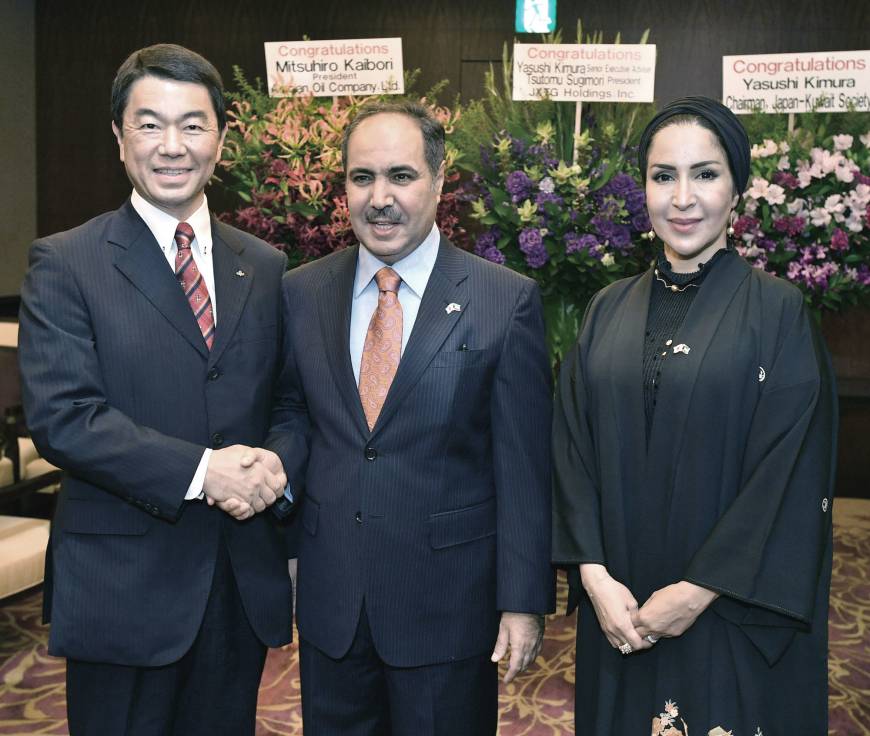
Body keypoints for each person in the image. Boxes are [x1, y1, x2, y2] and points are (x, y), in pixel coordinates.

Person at [17, 44, 305, 736]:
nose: (172, 146)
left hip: (236, 584)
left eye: (192, 125)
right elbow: (66, 419)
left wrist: (276, 464)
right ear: (119, 138)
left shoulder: (263, 265)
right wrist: (206, 473)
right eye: (150, 125)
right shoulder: (66, 262)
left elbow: (290, 401)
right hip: (123, 586)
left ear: (221, 139)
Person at [552, 96, 837, 735]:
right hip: (618, 610)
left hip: (727, 609)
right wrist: (593, 577)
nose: (682, 197)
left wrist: (698, 591)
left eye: (705, 174)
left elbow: (790, 472)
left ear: (737, 189)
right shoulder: (605, 309)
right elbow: (569, 449)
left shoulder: (779, 313)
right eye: (663, 176)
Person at [272, 100, 555, 735]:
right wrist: (286, 544)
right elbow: (292, 414)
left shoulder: (503, 301)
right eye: (362, 177)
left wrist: (522, 602)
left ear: (438, 179)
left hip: (448, 606)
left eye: (401, 176)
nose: (380, 198)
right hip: (332, 601)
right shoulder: (301, 293)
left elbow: (525, 469)